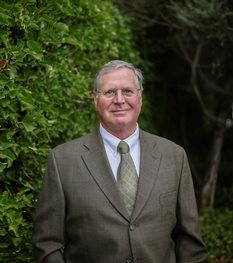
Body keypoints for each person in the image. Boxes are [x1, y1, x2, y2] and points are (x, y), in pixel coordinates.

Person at [32, 60, 208, 263]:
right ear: (95, 100)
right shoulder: (62, 160)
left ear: (140, 98)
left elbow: (190, 244)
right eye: (109, 92)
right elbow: (46, 244)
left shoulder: (174, 157)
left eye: (127, 91)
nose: (119, 100)